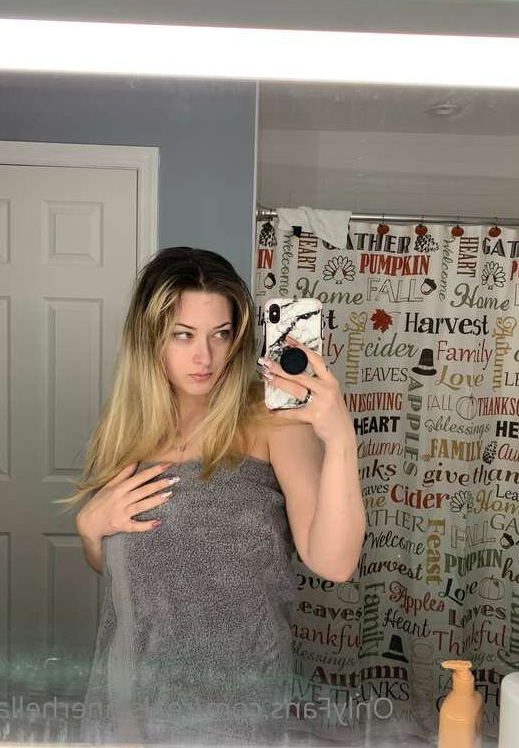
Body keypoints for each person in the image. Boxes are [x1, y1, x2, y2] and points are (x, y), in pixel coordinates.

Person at [55, 246, 365, 747]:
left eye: (220, 334)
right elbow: (123, 569)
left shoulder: (273, 423)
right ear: (149, 338)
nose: (205, 357)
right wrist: (90, 530)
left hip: (238, 710)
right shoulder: (125, 434)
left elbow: (335, 562)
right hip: (128, 706)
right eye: (183, 335)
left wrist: (340, 438)